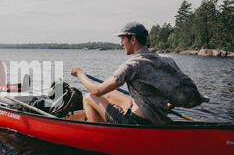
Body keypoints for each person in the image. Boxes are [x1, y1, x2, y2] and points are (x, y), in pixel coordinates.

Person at [71, 22, 208, 125]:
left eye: (123, 39)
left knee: (89, 97)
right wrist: (168, 105)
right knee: (110, 93)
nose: (121, 43)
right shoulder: (168, 61)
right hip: (158, 117)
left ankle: (98, 137)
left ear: (133, 39)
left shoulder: (132, 65)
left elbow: (97, 90)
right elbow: (182, 89)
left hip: (136, 122)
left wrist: (79, 73)